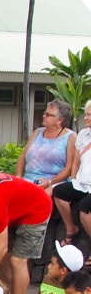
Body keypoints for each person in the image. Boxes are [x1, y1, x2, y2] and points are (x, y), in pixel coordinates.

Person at [50, 100, 91, 245]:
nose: (85, 118)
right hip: (82, 183)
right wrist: (74, 179)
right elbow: (76, 162)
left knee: (84, 208)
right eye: (85, 114)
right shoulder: (83, 135)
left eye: (89, 115)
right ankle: (70, 228)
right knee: (59, 191)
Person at [16, 99, 75, 190]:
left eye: (48, 115)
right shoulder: (37, 132)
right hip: (29, 180)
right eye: (44, 113)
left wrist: (49, 182)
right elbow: (23, 157)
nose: (44, 116)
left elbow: (69, 168)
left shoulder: (70, 137)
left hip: (54, 183)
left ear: (60, 120)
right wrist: (19, 176)